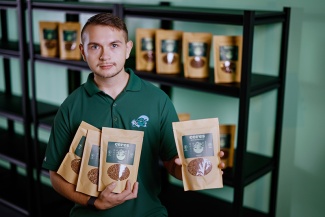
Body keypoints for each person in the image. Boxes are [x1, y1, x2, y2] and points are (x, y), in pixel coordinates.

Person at [42, 13, 224, 217]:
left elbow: (173, 163)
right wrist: (93, 202)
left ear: (128, 49)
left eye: (114, 45)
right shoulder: (71, 106)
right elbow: (55, 175)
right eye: (94, 46)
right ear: (83, 51)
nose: (105, 55)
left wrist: (196, 169)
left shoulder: (157, 99)